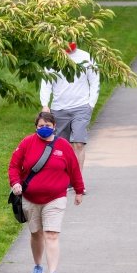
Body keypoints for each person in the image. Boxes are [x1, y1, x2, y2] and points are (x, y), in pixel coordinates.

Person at [8, 111, 85, 273]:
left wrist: (79, 190)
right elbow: (14, 166)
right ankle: (37, 266)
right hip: (31, 198)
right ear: (36, 127)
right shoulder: (27, 143)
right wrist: (16, 183)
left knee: (52, 234)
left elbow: (74, 169)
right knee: (36, 234)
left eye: (47, 126)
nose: (44, 129)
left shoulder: (63, 146)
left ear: (54, 127)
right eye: (40, 126)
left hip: (56, 198)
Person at [40, 42, 100, 176]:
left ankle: (78, 179)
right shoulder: (53, 59)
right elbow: (46, 82)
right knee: (61, 146)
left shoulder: (86, 57)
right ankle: (64, 177)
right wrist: (45, 104)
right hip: (59, 109)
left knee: (79, 143)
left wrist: (91, 104)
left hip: (81, 107)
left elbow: (95, 81)